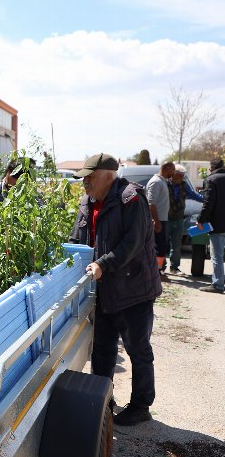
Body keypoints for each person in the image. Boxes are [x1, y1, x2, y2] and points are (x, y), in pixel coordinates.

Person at [69, 153, 162, 426]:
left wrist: (102, 264)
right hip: (105, 291)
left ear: (109, 176)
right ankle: (103, 398)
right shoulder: (88, 202)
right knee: (102, 350)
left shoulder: (131, 199)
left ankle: (141, 405)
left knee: (138, 350)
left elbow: (132, 244)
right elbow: (77, 239)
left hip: (134, 291)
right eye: (83, 177)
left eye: (90, 177)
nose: (85, 182)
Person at [166, 164, 203, 275]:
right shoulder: (165, 184)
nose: (180, 178)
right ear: (173, 174)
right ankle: (159, 268)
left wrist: (207, 200)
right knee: (161, 244)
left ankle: (174, 268)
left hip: (178, 219)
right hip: (165, 219)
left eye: (182, 176)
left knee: (176, 246)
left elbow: (193, 195)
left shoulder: (184, 185)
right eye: (178, 175)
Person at [196, 158, 225, 293]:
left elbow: (208, 202)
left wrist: (200, 220)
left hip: (217, 224)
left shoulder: (211, 180)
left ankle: (218, 284)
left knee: (217, 255)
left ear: (211, 168)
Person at [146, 162, 175, 278]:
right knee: (158, 247)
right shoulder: (156, 182)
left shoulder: (162, 181)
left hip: (162, 219)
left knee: (161, 247)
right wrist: (156, 221)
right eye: (172, 170)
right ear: (167, 168)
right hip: (158, 220)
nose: (173, 173)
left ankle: (158, 271)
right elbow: (151, 203)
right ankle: (156, 273)